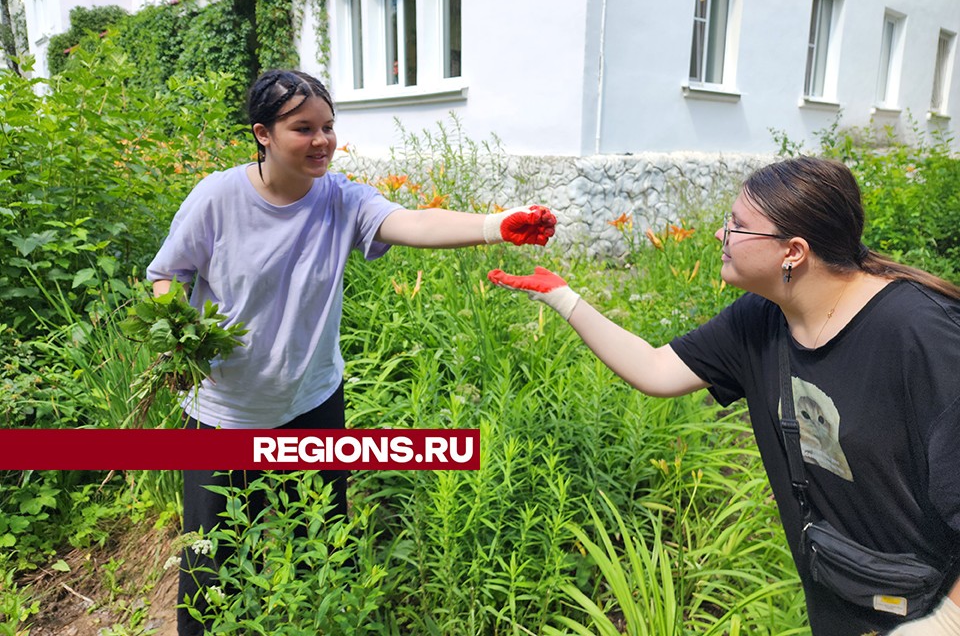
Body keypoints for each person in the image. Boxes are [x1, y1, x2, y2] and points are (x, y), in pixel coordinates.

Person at [146, 69, 557, 636]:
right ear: (263, 133)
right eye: (303, 128)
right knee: (213, 573)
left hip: (311, 404)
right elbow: (168, 274)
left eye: (329, 127)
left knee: (319, 550)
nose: (322, 141)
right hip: (225, 413)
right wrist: (180, 334)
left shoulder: (342, 199)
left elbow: (413, 222)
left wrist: (495, 224)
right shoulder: (218, 198)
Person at [488, 156, 960, 636]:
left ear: (792, 251)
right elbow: (656, 370)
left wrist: (946, 621)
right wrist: (565, 299)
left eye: (738, 226)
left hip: (931, 605)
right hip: (844, 594)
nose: (720, 235)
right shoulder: (761, 318)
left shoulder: (921, 335)